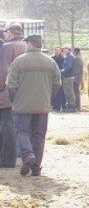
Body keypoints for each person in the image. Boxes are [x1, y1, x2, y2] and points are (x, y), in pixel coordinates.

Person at [6, 34, 61, 176]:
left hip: (22, 106)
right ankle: (36, 168)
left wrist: (15, 100)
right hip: (43, 106)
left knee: (22, 132)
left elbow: (10, 85)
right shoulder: (51, 62)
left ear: (30, 44)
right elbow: (57, 84)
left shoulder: (19, 61)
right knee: (39, 136)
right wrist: (48, 99)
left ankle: (28, 155)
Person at [0, 23, 27, 167]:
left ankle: (6, 160)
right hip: (24, 93)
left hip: (7, 94)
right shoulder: (25, 45)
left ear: (11, 33)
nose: (5, 34)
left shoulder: (8, 47)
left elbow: (3, 71)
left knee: (6, 127)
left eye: (6, 32)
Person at [60, 45, 76, 112]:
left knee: (70, 92)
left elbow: (68, 67)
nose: (64, 50)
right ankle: (69, 105)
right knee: (67, 91)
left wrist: (61, 71)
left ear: (69, 49)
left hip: (68, 77)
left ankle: (72, 106)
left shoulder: (70, 57)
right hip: (67, 76)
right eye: (63, 49)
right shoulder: (68, 57)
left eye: (65, 49)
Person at [50, 46, 66, 111]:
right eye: (56, 50)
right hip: (53, 76)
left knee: (61, 92)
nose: (57, 51)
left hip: (60, 76)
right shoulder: (52, 58)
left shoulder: (63, 58)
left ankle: (62, 105)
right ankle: (55, 105)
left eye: (58, 50)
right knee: (54, 91)